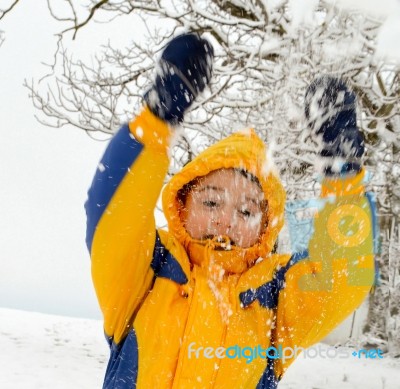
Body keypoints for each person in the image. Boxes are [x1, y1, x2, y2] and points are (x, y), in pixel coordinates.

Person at [85, 33, 376, 389]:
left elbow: (341, 277)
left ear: (265, 228)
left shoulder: (275, 297)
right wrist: (155, 121)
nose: (226, 219)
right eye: (210, 202)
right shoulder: (145, 273)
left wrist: (342, 175)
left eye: (247, 212)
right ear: (182, 204)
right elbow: (114, 214)